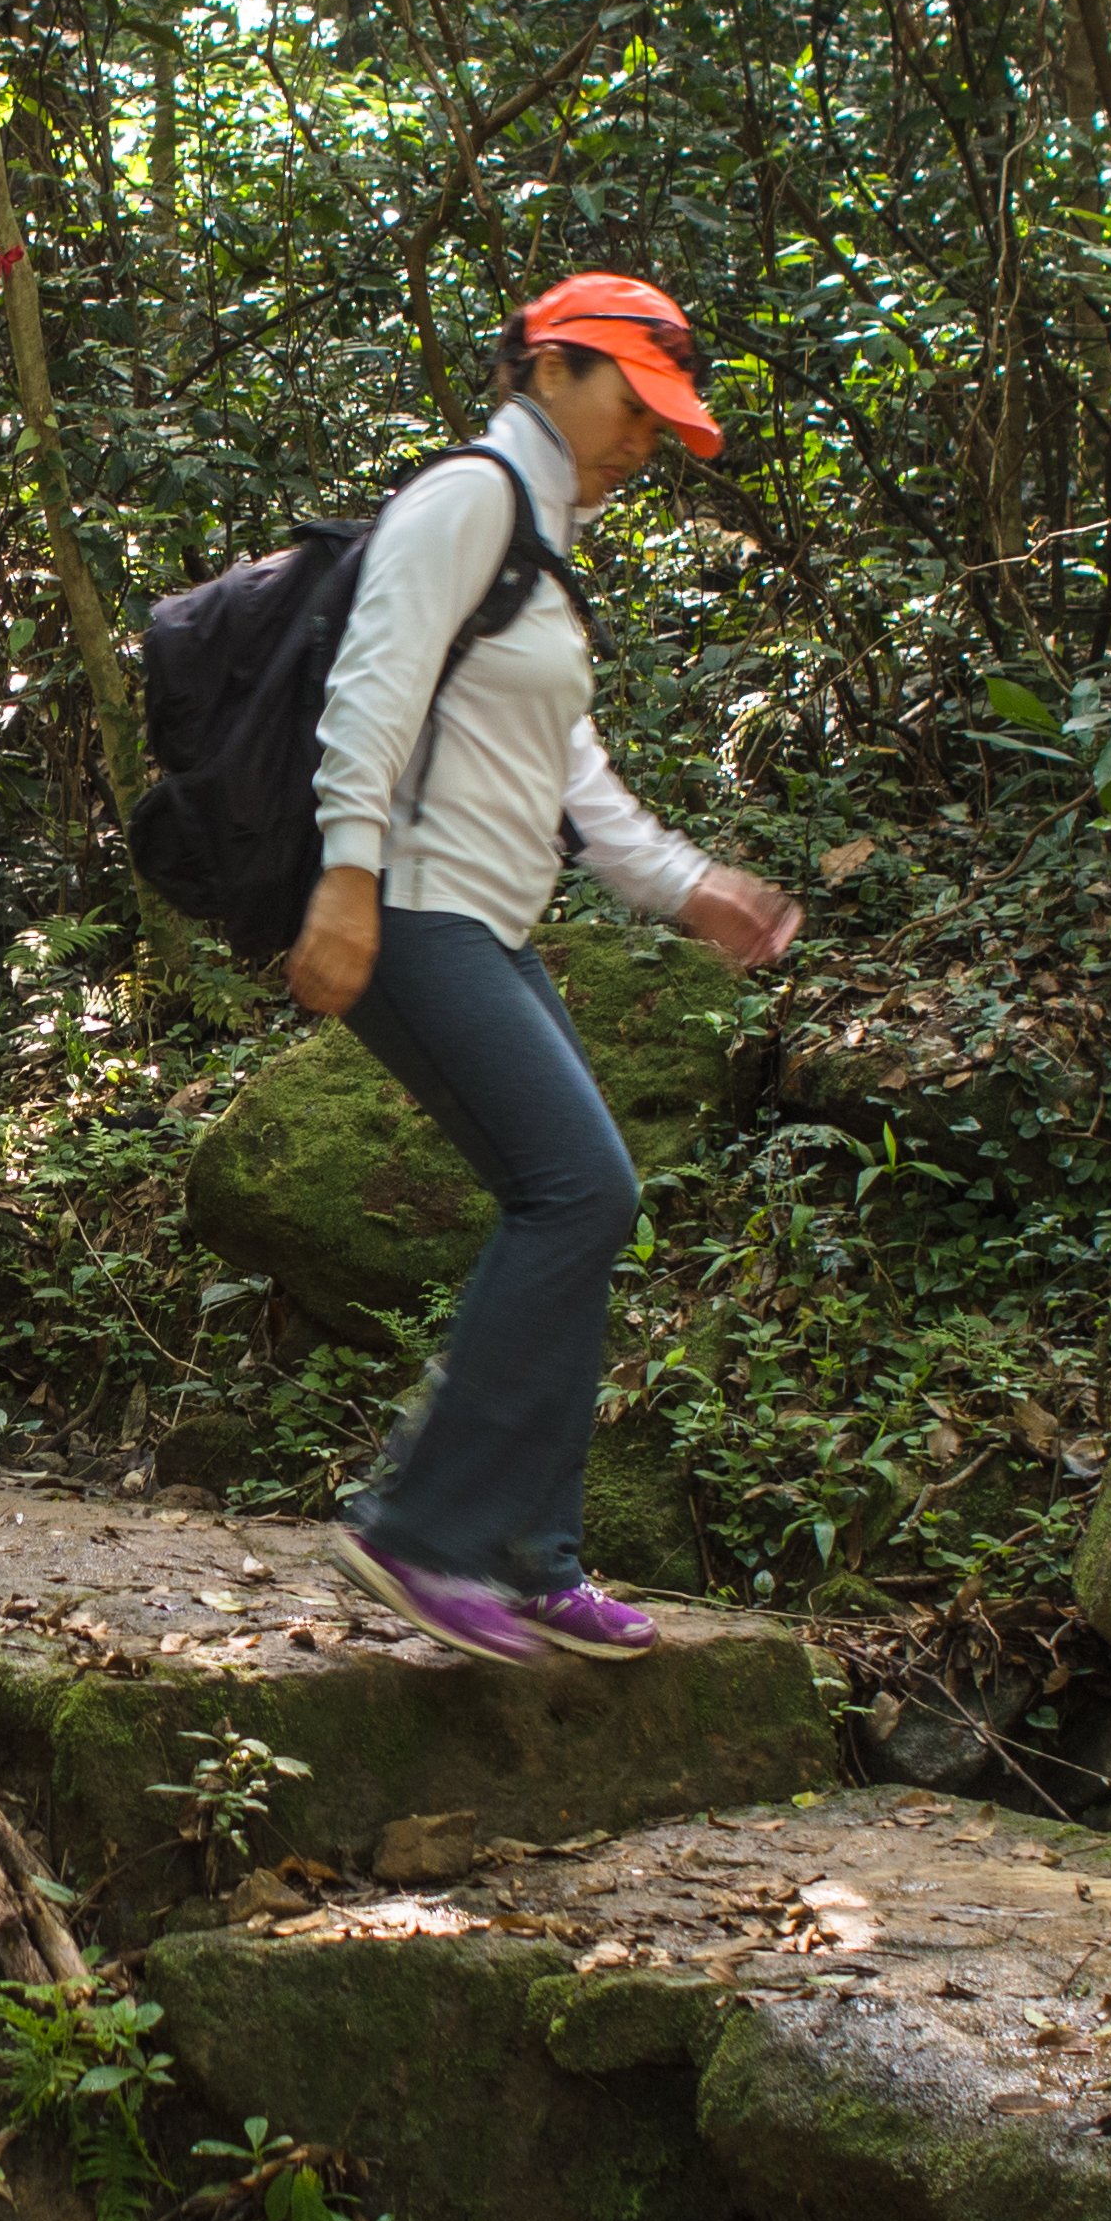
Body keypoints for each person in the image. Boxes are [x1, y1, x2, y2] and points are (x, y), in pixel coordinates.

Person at [294, 272, 802, 1663]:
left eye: (664, 416)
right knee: (581, 1186)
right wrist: (344, 875)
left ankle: (530, 1556)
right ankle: (420, 1532)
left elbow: (580, 783)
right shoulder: (467, 500)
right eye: (633, 402)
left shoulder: (540, 552)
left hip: (486, 920)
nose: (647, 437)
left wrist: (694, 888)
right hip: (410, 906)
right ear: (552, 367)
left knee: (584, 1202)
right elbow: (375, 682)